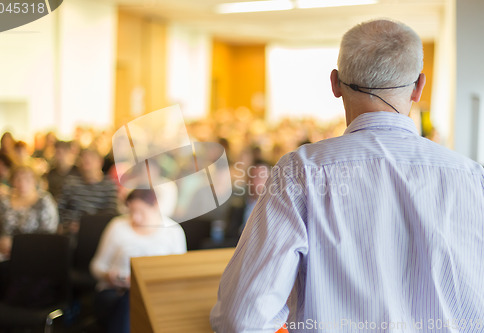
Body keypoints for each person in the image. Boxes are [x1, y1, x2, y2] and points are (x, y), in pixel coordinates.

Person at [210, 19, 484, 332]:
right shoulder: (472, 176)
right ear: (419, 87)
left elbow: (242, 318)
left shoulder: (301, 172)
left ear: (335, 84)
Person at [90, 189, 187, 333]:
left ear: (155, 206)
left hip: (156, 294)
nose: (135, 217)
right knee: (131, 298)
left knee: (136, 298)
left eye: (140, 212)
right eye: (131, 211)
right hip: (116, 291)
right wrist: (109, 276)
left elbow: (180, 272)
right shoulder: (117, 226)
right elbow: (96, 266)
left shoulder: (173, 231)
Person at [0, 165, 58, 262]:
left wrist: (17, 246)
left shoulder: (44, 201)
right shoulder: (4, 201)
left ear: (35, 181)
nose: (22, 183)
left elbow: (49, 234)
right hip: (1, 253)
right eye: (18, 179)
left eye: (27, 179)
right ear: (12, 181)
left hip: (33, 253)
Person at [57, 148, 118, 236]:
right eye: (84, 161)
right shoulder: (70, 182)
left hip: (95, 231)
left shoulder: (109, 185)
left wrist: (86, 225)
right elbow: (60, 209)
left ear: (100, 162)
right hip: (70, 231)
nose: (86, 165)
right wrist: (67, 225)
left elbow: (110, 213)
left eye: (90, 161)